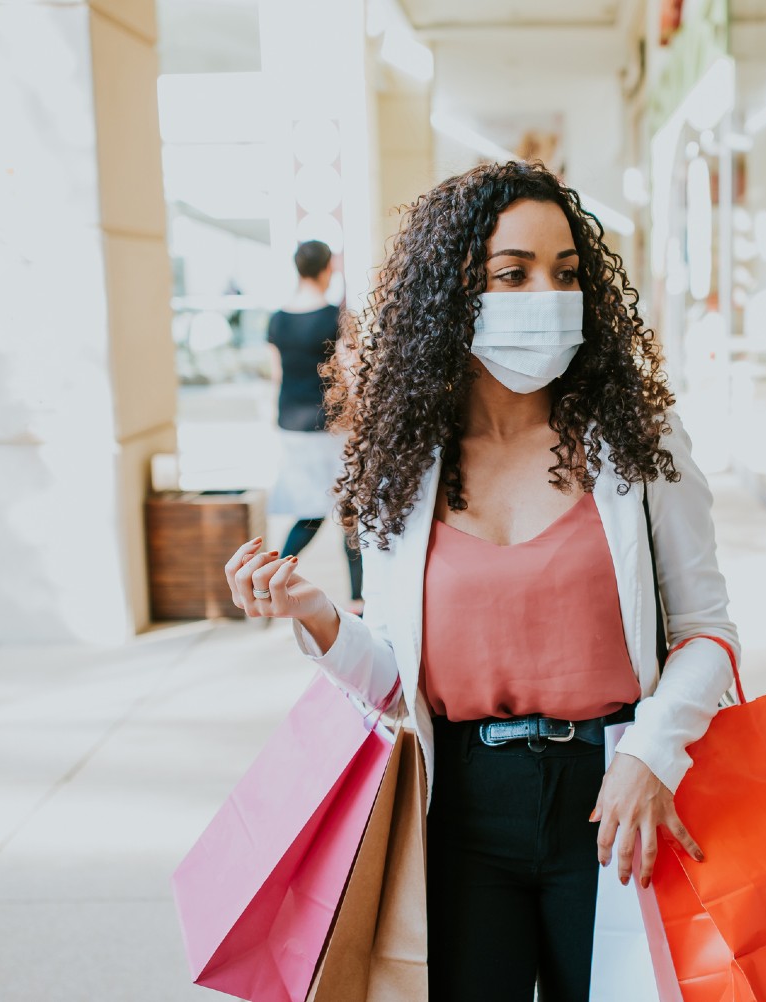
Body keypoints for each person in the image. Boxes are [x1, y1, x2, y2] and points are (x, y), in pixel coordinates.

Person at [225, 162, 738, 1002]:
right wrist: (314, 614)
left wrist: (653, 753)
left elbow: (709, 631)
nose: (548, 293)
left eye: (567, 273)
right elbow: (400, 682)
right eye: (514, 273)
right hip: (460, 808)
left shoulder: (638, 440)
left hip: (617, 799)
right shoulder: (403, 456)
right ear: (453, 291)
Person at [265, 239, 362, 612]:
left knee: (310, 509)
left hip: (290, 423)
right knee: (349, 509)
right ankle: (358, 599)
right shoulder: (334, 316)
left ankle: (269, 579)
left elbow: (276, 374)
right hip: (329, 425)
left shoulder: (277, 319)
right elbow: (352, 373)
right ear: (326, 269)